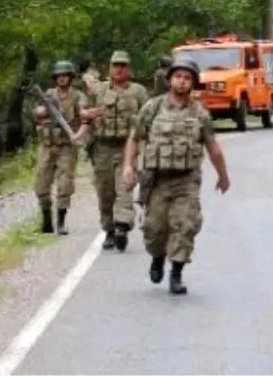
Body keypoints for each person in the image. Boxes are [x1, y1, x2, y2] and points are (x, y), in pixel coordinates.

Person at [120, 57, 230, 295]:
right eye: (178, 77)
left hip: (186, 181)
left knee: (184, 225)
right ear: (169, 80)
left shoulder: (199, 113)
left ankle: (177, 273)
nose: (182, 82)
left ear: (193, 83)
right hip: (157, 180)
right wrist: (128, 166)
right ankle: (158, 257)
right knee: (153, 229)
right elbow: (135, 138)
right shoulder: (153, 107)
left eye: (187, 78)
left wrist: (223, 176)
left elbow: (213, 147)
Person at [84, 50, 150, 251]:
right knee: (105, 193)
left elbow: (148, 117)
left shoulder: (138, 91)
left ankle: (122, 228)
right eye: (115, 65)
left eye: (123, 65)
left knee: (124, 188)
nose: (119, 69)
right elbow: (81, 111)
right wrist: (88, 114)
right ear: (109, 68)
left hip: (126, 148)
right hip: (101, 148)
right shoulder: (99, 91)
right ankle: (109, 230)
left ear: (129, 69)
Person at [29, 60, 95, 235]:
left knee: (65, 185)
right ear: (55, 78)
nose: (62, 79)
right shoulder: (48, 95)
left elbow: (85, 119)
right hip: (47, 146)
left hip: (66, 147)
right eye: (59, 76)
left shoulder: (78, 96)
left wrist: (77, 135)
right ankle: (46, 221)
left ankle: (61, 222)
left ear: (71, 77)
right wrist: (42, 111)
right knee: (41, 185)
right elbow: (36, 113)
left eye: (65, 76)